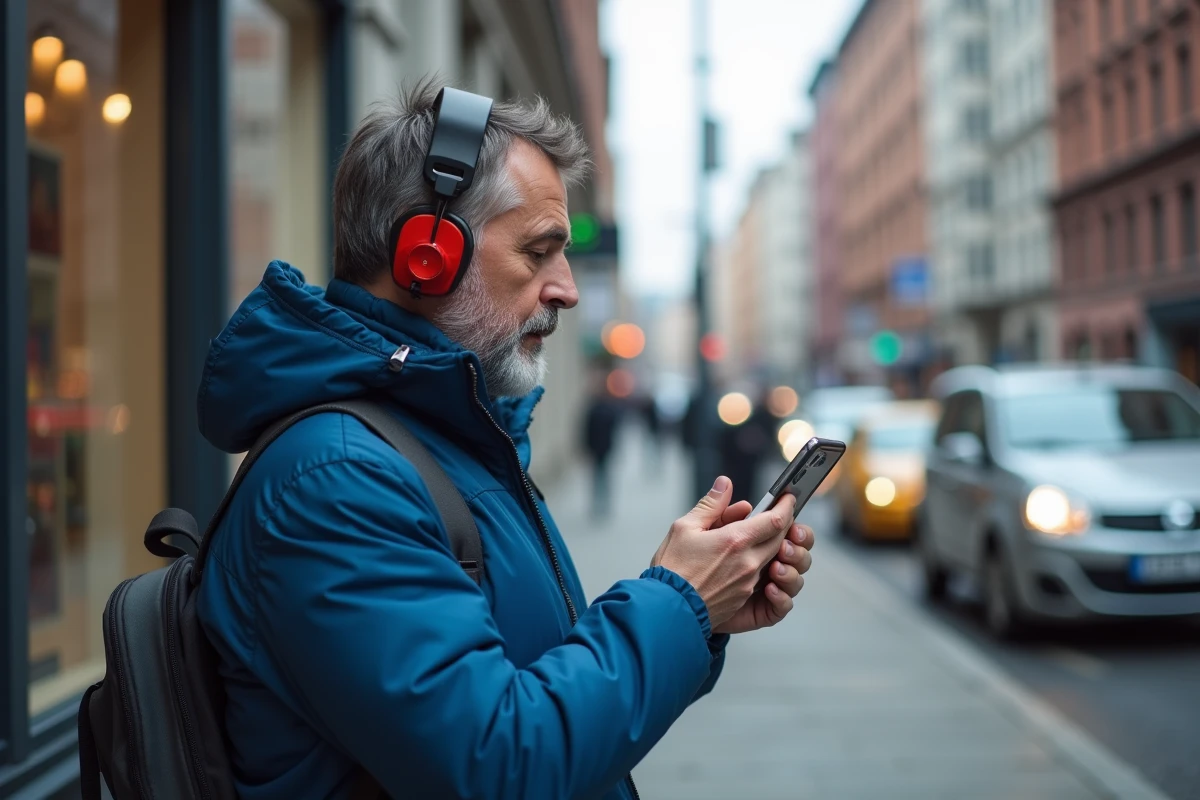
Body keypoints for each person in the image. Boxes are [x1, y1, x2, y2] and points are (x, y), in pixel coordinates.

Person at [195, 81, 816, 800]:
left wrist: (702, 616)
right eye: (539, 252)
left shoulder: (446, 441)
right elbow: (501, 767)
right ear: (427, 255)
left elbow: (536, 683)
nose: (567, 289)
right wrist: (678, 602)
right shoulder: (336, 479)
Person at [582, 373, 623, 519]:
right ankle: (602, 503)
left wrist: (586, 447)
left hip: (598, 448)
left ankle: (600, 503)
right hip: (603, 448)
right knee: (602, 476)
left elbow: (587, 430)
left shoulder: (595, 409)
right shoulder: (607, 409)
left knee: (598, 476)